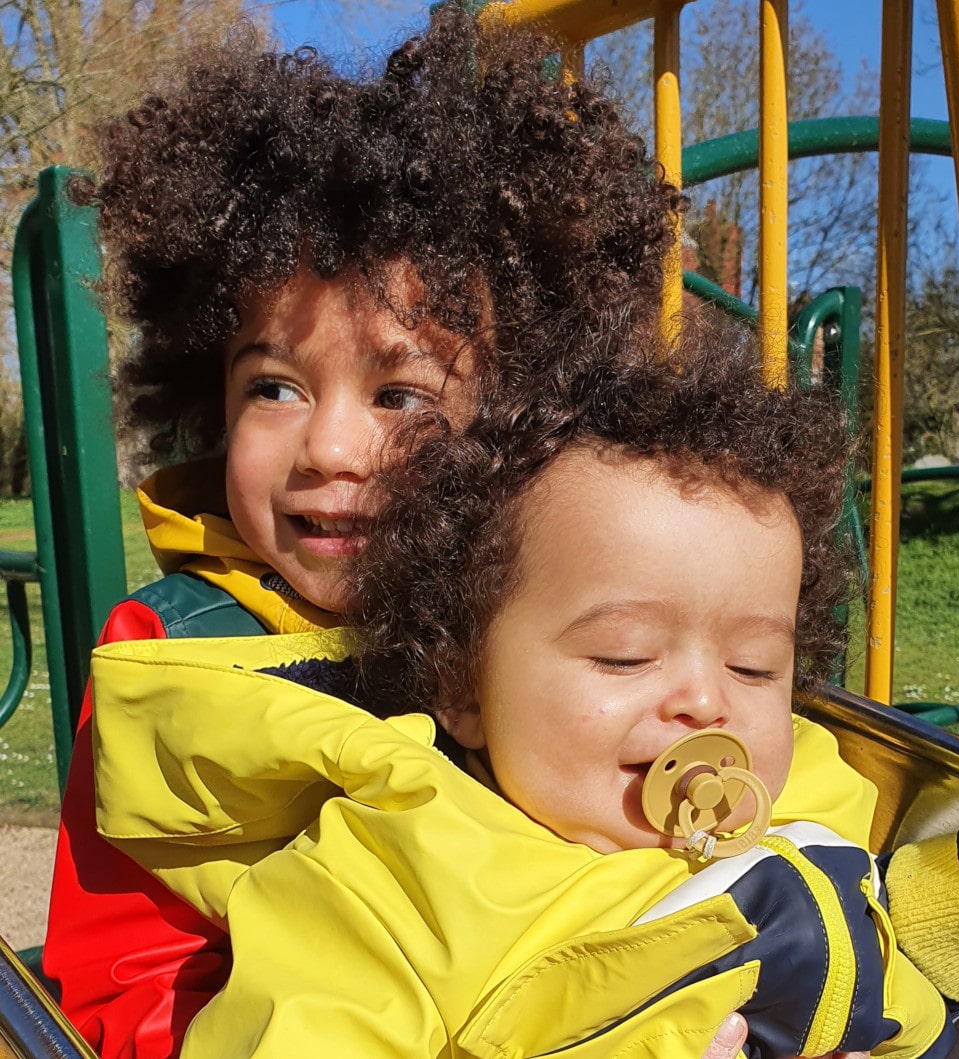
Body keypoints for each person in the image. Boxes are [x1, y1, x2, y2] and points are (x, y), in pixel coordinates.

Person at [41, 8, 683, 1059]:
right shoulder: (169, 656)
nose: (329, 448)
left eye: (399, 395)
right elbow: (123, 983)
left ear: (514, 418)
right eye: (276, 386)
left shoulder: (558, 625)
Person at [86, 325, 959, 1058]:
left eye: (756, 666)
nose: (706, 701)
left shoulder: (806, 786)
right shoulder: (395, 883)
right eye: (623, 656)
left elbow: (881, 920)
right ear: (462, 685)